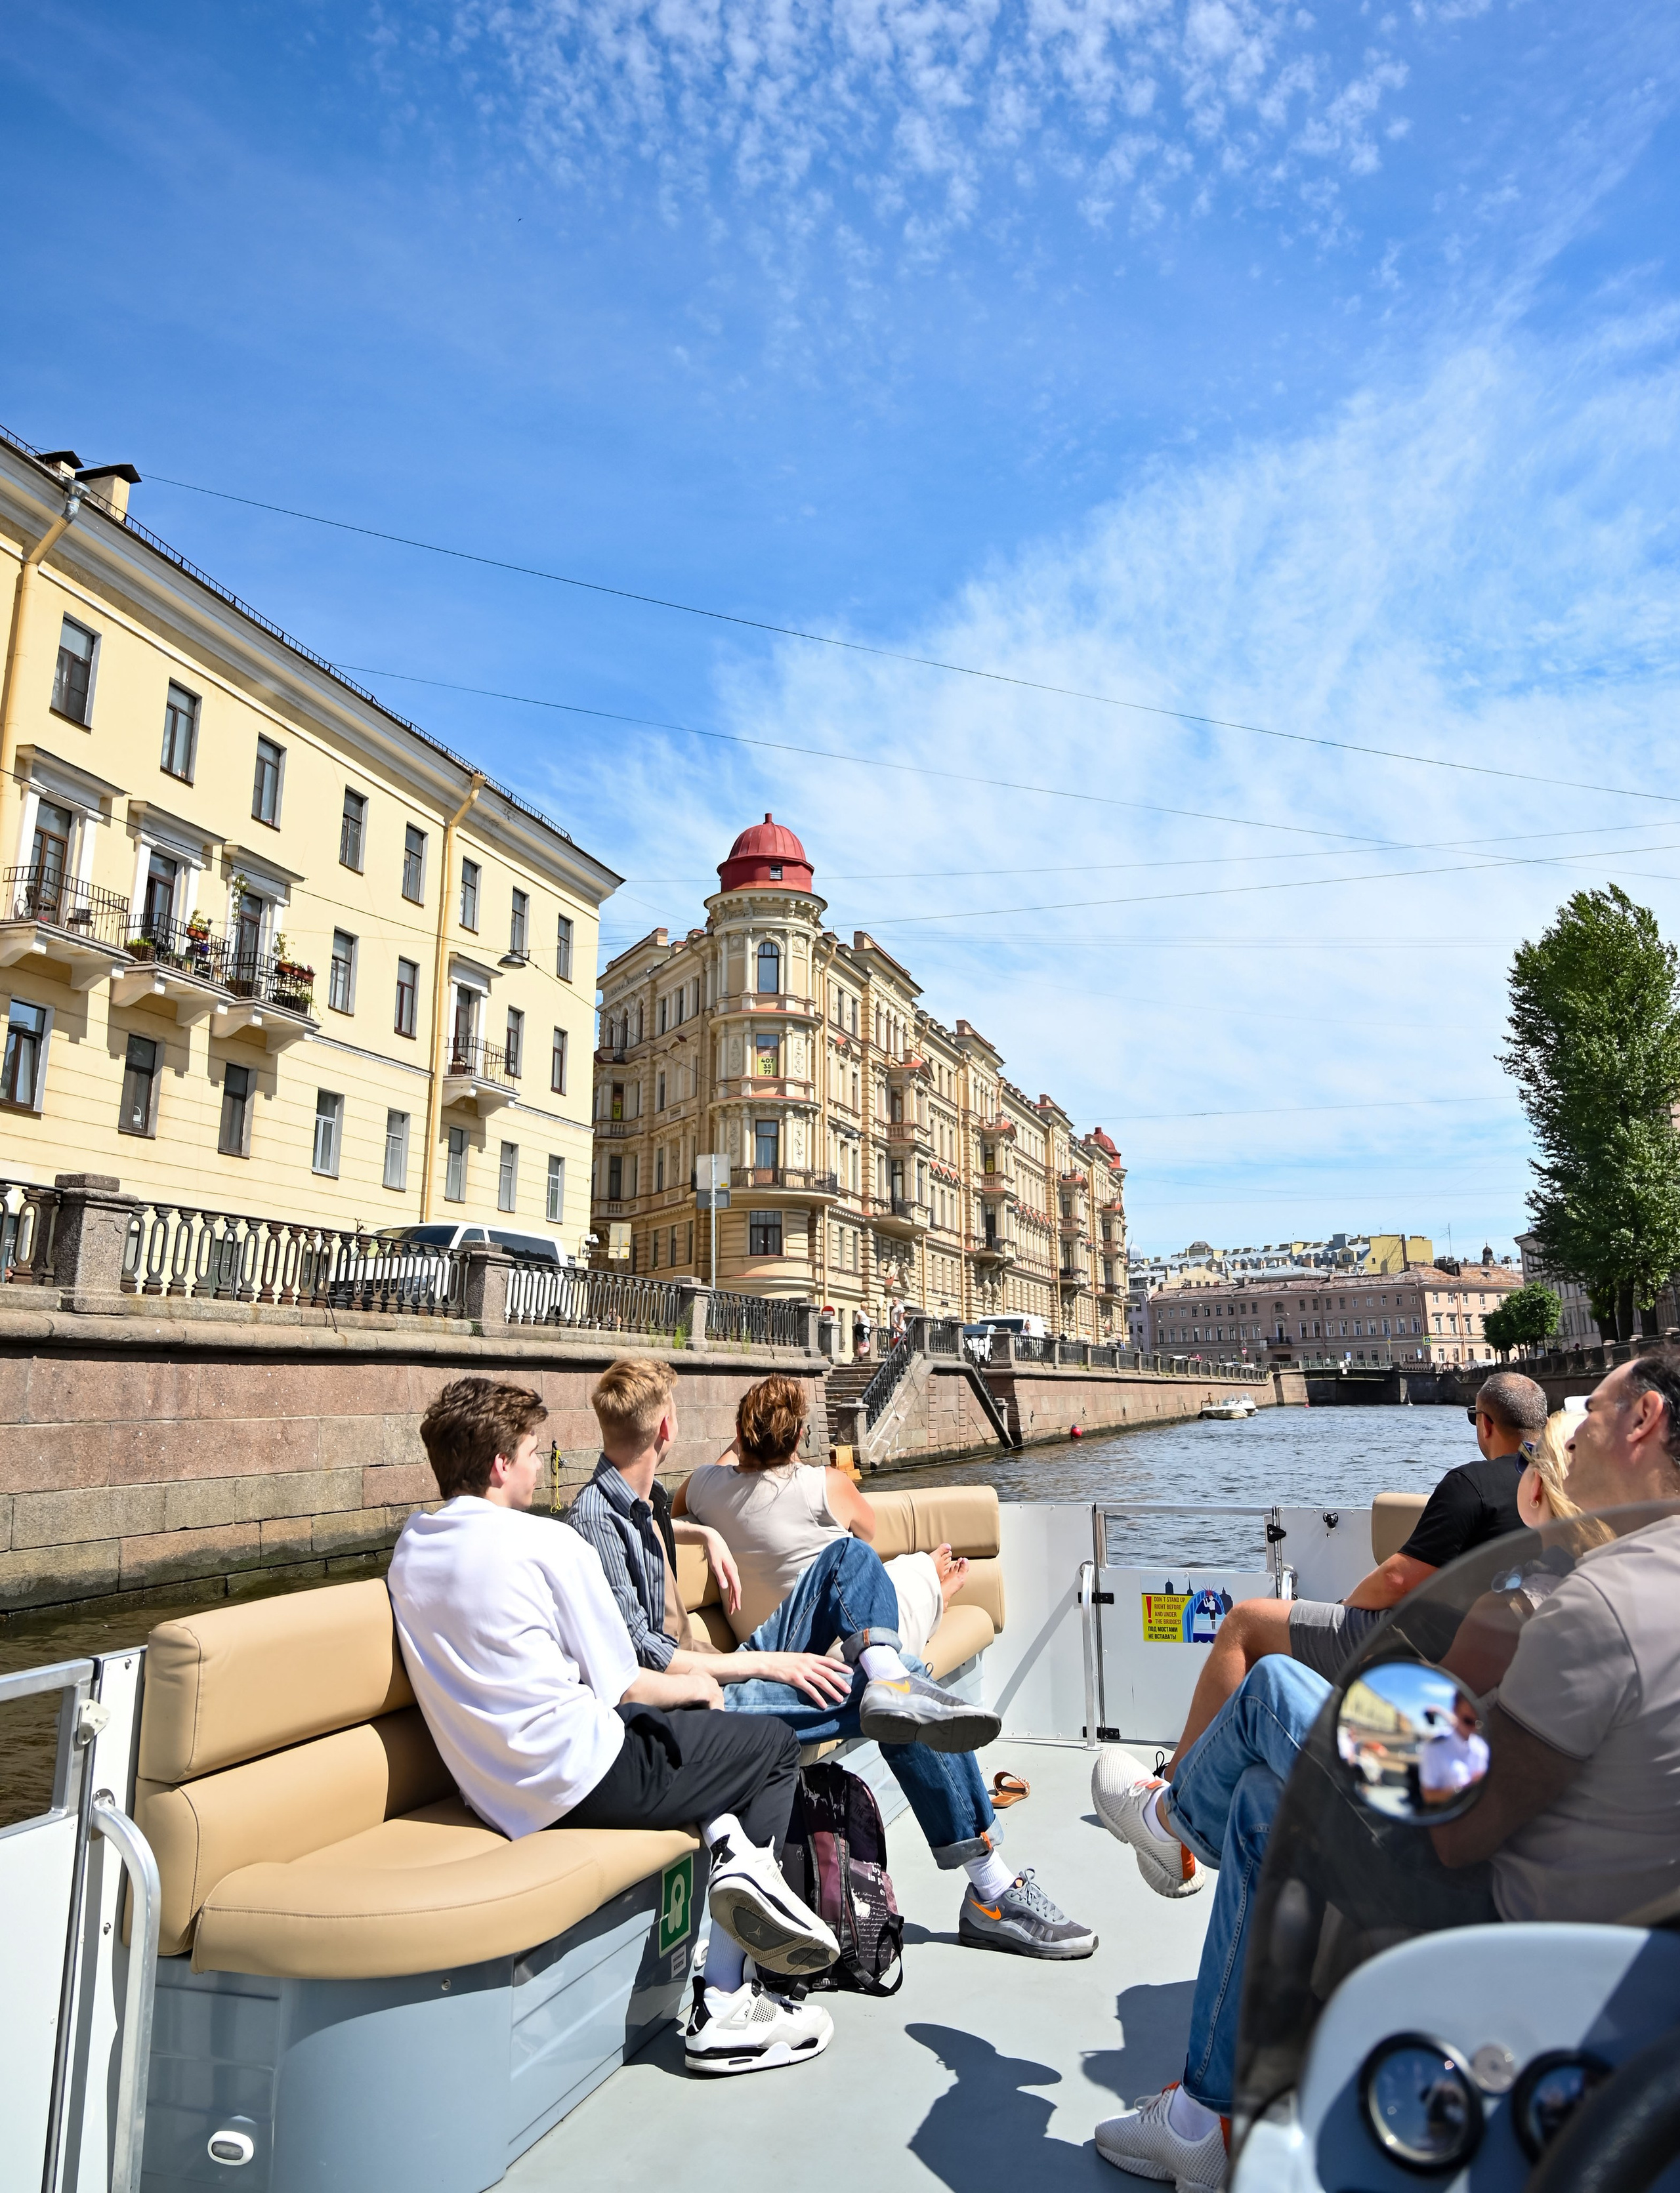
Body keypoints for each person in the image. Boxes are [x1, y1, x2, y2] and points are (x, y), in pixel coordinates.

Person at [1089, 1350, 1680, 2189]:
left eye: (1593, 1410)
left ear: (1643, 1420)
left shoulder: (1601, 1602)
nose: (1575, 1430)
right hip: (1627, 1948)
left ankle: (1171, 1822)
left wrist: (1409, 1710)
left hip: (1508, 1927)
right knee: (1261, 1799)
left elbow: (1464, 1832)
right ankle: (1203, 2117)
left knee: (1272, 1687)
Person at [388, 1376, 840, 2079]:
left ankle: (729, 1849)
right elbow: (627, 1683)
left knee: (700, 1748)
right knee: (771, 1748)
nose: (542, 1468)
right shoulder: (548, 1544)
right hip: (583, 1771)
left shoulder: (411, 1548)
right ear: (501, 1465)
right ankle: (726, 1998)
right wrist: (701, 1686)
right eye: (535, 1453)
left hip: (501, 1793)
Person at [570, 1362, 1098, 1960]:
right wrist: (766, 1667)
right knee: (899, 1703)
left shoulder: (653, 1498)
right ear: (667, 1428)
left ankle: (885, 1673)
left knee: (848, 1558)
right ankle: (992, 1891)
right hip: (698, 1701)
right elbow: (642, 1660)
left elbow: (676, 1514)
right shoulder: (595, 1518)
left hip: (723, 1663)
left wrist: (703, 1535)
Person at [1153, 1369, 1549, 1794]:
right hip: (1510, 1661)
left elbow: (1398, 1579)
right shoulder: (1565, 1487)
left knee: (1245, 1622)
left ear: (1485, 1423)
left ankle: (1176, 1788)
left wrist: (1345, 1608)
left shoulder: (1474, 1483)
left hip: (1428, 1651)